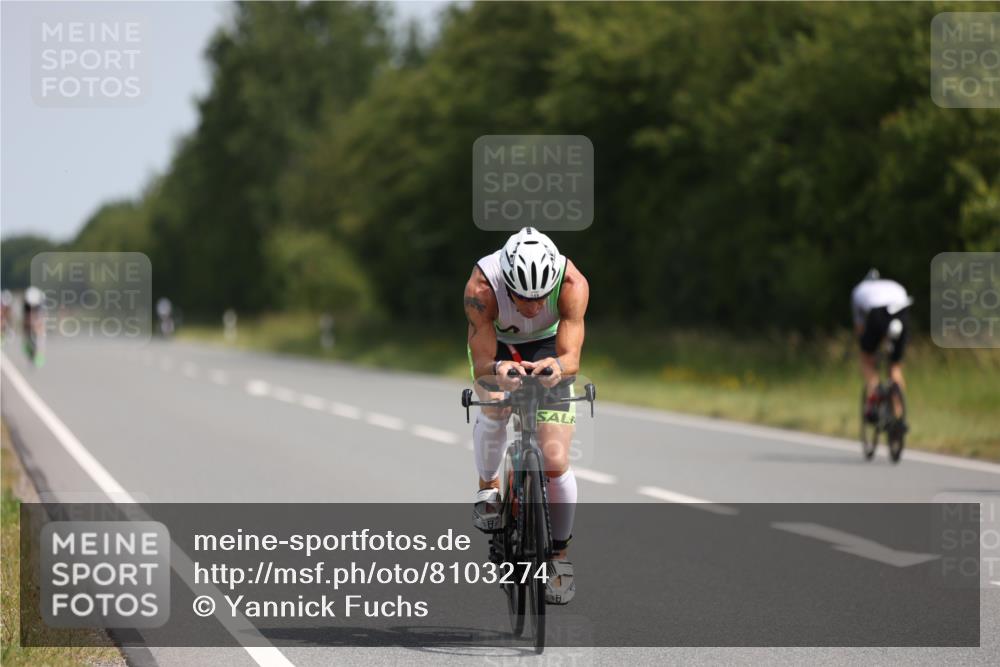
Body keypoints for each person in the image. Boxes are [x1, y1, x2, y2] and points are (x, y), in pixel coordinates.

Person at [463, 227, 589, 605]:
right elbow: (481, 363)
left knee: (554, 460)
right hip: (499, 345)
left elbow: (572, 358)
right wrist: (497, 369)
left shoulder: (571, 283)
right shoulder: (482, 288)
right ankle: (489, 485)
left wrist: (558, 367)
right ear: (506, 282)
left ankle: (559, 556)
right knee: (496, 402)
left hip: (550, 345)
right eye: (522, 297)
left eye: (540, 298)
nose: (533, 307)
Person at [851, 269, 912, 423]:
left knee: (867, 360)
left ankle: (872, 403)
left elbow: (860, 328)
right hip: (902, 312)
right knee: (895, 367)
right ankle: (898, 417)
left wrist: (868, 349)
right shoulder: (893, 285)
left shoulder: (859, 290)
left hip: (877, 313)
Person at [22, 286, 46, 366]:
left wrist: (37, 326)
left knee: (40, 330)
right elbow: (26, 316)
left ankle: (39, 354)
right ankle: (27, 342)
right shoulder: (26, 303)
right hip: (28, 314)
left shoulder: (40, 303)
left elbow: (41, 317)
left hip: (39, 313)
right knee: (26, 325)